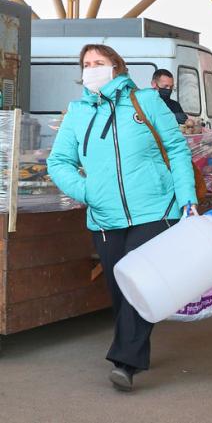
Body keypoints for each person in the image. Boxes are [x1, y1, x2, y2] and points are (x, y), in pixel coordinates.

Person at [47, 44, 197, 391]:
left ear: (116, 66)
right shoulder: (77, 112)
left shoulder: (146, 101)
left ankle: (125, 362)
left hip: (155, 209)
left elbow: (177, 150)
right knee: (120, 291)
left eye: (99, 62)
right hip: (105, 216)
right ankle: (133, 347)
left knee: (140, 282)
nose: (92, 68)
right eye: (86, 64)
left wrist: (186, 198)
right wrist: (87, 191)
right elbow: (59, 162)